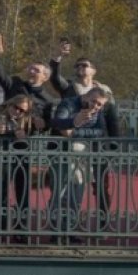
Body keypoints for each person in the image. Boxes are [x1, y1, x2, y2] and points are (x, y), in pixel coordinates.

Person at [50, 87, 116, 237]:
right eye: (93, 101)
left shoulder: (97, 112)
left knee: (77, 192)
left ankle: (71, 229)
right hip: (61, 153)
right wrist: (74, 121)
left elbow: (100, 131)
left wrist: (74, 131)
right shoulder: (68, 104)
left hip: (82, 155)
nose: (96, 106)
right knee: (60, 192)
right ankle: (56, 230)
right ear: (86, 96)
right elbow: (57, 123)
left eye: (100, 104)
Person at [0, 95, 37, 234]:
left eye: (21, 110)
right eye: (15, 107)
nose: (17, 112)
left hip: (20, 159)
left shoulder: (27, 121)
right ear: (9, 104)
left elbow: (37, 133)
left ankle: (21, 229)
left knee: (22, 193)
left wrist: (25, 137)